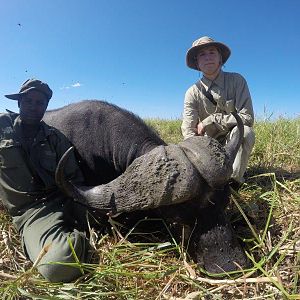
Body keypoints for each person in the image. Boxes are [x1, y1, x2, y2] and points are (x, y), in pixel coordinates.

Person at [0, 79, 90, 282]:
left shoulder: (56, 138)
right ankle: (78, 236)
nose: (33, 107)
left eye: (40, 103)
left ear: (46, 107)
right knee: (59, 267)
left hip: (64, 200)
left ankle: (79, 225)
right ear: (19, 103)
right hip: (31, 213)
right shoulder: (1, 125)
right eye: (28, 101)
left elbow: (75, 179)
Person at [181, 36, 255, 188]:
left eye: (212, 52)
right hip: (207, 145)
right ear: (197, 63)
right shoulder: (192, 92)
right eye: (202, 54)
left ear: (220, 58)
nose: (207, 57)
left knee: (246, 132)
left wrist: (210, 120)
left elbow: (247, 118)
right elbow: (188, 131)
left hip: (232, 141)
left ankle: (233, 183)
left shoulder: (237, 81)